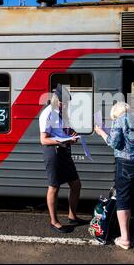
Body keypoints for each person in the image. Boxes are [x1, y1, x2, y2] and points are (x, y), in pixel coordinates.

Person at [94, 102, 134, 249]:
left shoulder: (119, 120)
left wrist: (101, 133)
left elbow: (114, 143)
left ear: (115, 113)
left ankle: (125, 239)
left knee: (123, 198)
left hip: (127, 163)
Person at [39, 83, 85, 233]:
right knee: (54, 186)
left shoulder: (62, 113)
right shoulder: (47, 113)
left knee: (76, 184)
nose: (65, 106)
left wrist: (72, 134)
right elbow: (44, 140)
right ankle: (54, 221)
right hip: (53, 152)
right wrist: (61, 141)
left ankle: (72, 216)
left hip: (64, 151)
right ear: (55, 99)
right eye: (62, 103)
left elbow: (65, 130)